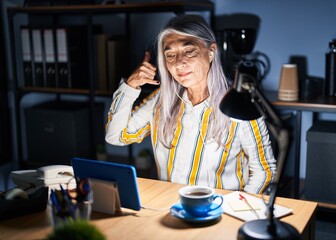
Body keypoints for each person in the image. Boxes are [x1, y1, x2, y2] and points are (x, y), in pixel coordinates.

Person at [105, 14, 276, 194]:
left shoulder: (239, 104)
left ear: (211, 52)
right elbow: (115, 136)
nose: (179, 63)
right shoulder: (160, 100)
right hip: (170, 207)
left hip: (218, 213)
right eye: (170, 55)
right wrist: (130, 86)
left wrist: (235, 209)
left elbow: (264, 170)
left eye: (189, 51)